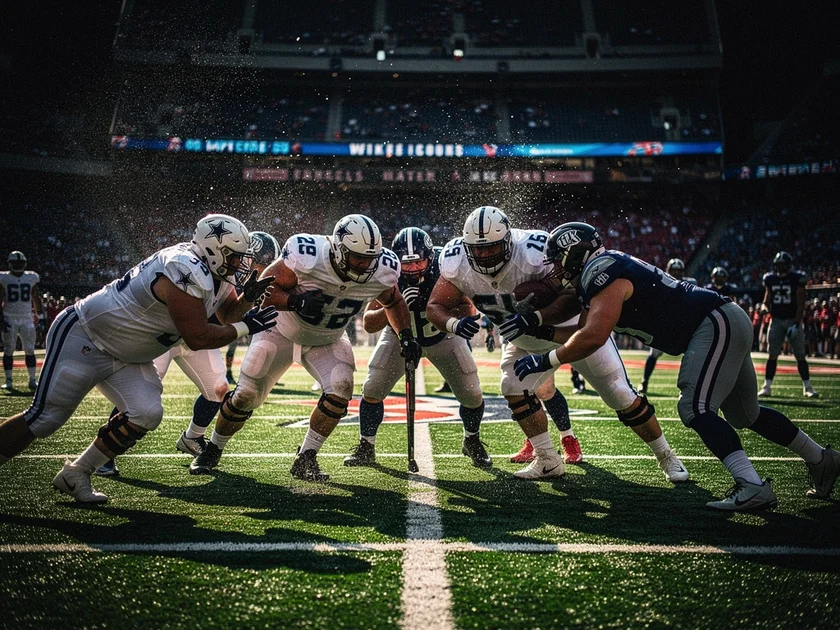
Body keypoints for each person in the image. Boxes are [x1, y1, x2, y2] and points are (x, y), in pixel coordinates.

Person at [515, 222, 838, 510]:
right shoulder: (602, 269)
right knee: (745, 414)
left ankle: (751, 485)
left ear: (575, 252)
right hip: (722, 321)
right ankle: (821, 458)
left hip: (713, 322)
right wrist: (539, 329)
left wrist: (545, 359)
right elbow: (583, 330)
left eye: (558, 258)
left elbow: (594, 337)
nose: (556, 267)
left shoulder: (602, 269)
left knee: (695, 407)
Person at [0, 214, 279, 503]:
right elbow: (198, 337)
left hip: (129, 354)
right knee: (46, 418)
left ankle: (77, 473)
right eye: (234, 256)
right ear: (213, 248)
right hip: (88, 336)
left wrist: (246, 300)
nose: (239, 263)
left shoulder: (212, 269)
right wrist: (246, 327)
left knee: (146, 413)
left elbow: (226, 316)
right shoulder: (184, 267)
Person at [428, 207, 687, 482]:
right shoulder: (455, 261)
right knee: (512, 386)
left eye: (491, 248)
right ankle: (548, 460)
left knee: (619, 393)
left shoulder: (534, 252)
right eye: (477, 250)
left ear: (508, 241)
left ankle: (666, 455)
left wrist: (536, 317)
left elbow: (573, 297)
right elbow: (435, 305)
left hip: (571, 331)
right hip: (522, 339)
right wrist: (453, 324)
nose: (484, 255)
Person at [189, 214, 420, 482]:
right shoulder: (307, 255)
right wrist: (295, 301)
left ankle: (307, 456)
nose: (365, 264)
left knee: (341, 386)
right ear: (338, 249)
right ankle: (213, 449)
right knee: (245, 396)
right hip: (280, 330)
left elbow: (394, 301)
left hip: (328, 338)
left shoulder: (383, 268)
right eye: (357, 257)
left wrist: (405, 335)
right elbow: (264, 287)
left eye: (370, 258)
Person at [94, 231, 283, 477]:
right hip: (163, 336)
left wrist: (247, 298)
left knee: (218, 389)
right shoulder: (193, 267)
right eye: (255, 263)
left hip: (198, 338)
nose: (258, 270)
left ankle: (192, 437)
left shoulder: (229, 276)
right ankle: (103, 454)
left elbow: (228, 317)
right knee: (141, 395)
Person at [345, 227, 490, 468]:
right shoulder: (388, 270)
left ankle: (472, 440)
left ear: (430, 257)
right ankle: (366, 446)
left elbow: (468, 309)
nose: (412, 269)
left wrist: (438, 306)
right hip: (399, 337)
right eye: (406, 263)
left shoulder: (445, 268)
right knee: (372, 388)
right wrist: (395, 305)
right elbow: (369, 323)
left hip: (442, 336)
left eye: (419, 262)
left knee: (472, 393)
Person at [758, 251, 818, 398]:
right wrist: (764, 308)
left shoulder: (796, 278)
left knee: (800, 355)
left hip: (792, 319)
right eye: (779, 264)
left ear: (789, 265)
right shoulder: (771, 279)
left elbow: (801, 303)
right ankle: (767, 386)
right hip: (776, 320)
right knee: (772, 354)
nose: (781, 267)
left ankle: (808, 387)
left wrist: (796, 324)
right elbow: (767, 300)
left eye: (783, 264)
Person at [639, 258, 695, 396]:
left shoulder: (690, 283)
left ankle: (691, 387)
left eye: (678, 271)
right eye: (673, 270)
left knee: (692, 355)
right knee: (654, 354)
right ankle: (644, 381)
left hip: (682, 326)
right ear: (668, 270)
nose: (676, 273)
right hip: (664, 325)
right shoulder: (660, 281)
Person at [0, 251, 43, 390]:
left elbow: (36, 297)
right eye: (15, 263)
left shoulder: (31, 277)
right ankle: (9, 380)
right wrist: (1, 318)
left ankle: (32, 379)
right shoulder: (4, 278)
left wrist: (40, 315)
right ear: (10, 264)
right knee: (9, 349)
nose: (18, 265)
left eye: (20, 263)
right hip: (9, 317)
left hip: (26, 317)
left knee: (30, 349)